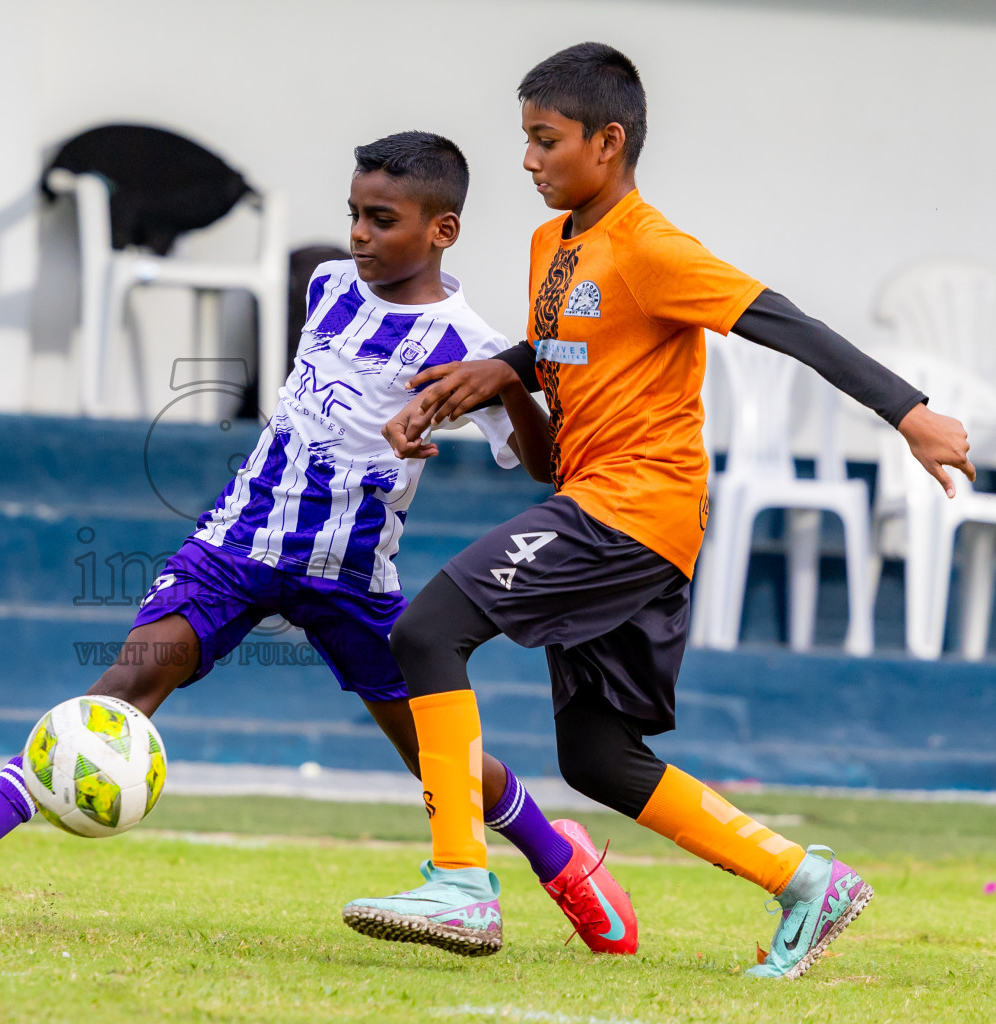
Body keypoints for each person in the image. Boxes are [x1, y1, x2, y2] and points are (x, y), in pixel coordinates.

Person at [0, 131, 637, 957]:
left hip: (348, 576)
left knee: (434, 757)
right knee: (125, 679)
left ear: (441, 231)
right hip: (236, 545)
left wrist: (513, 383)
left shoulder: (468, 342)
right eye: (354, 215)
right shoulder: (326, 285)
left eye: (383, 220)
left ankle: (566, 863)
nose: (359, 236)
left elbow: (543, 465)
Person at [344, 44, 976, 979]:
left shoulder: (653, 245)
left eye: (545, 141)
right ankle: (806, 879)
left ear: (609, 141)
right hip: (607, 509)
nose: (528, 162)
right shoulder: (550, 245)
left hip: (630, 510)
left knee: (428, 631)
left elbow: (786, 321)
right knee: (599, 758)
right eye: (524, 140)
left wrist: (911, 413)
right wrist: (501, 372)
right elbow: (569, 341)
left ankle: (460, 882)